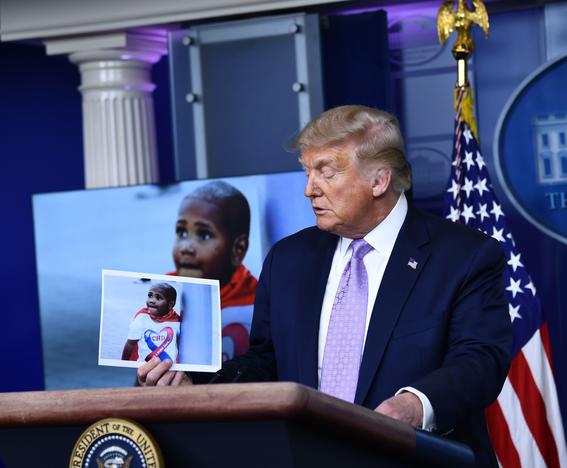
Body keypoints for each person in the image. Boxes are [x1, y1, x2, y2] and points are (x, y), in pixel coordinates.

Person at [138, 105, 512, 467]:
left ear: (379, 180)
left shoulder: (464, 257)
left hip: (415, 459)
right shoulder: (289, 258)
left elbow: (479, 360)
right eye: (307, 172)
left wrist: (416, 404)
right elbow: (268, 362)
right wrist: (197, 380)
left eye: (326, 172)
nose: (309, 190)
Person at [171, 181, 258, 359]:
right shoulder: (164, 295)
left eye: (204, 235)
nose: (186, 247)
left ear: (237, 250)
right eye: (181, 233)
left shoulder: (257, 305)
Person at [122, 282, 180, 362]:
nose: (152, 300)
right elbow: (130, 344)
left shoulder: (177, 322)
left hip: (167, 367)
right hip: (143, 366)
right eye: (150, 296)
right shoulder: (142, 318)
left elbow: (181, 349)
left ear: (170, 304)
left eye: (158, 298)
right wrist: (123, 364)